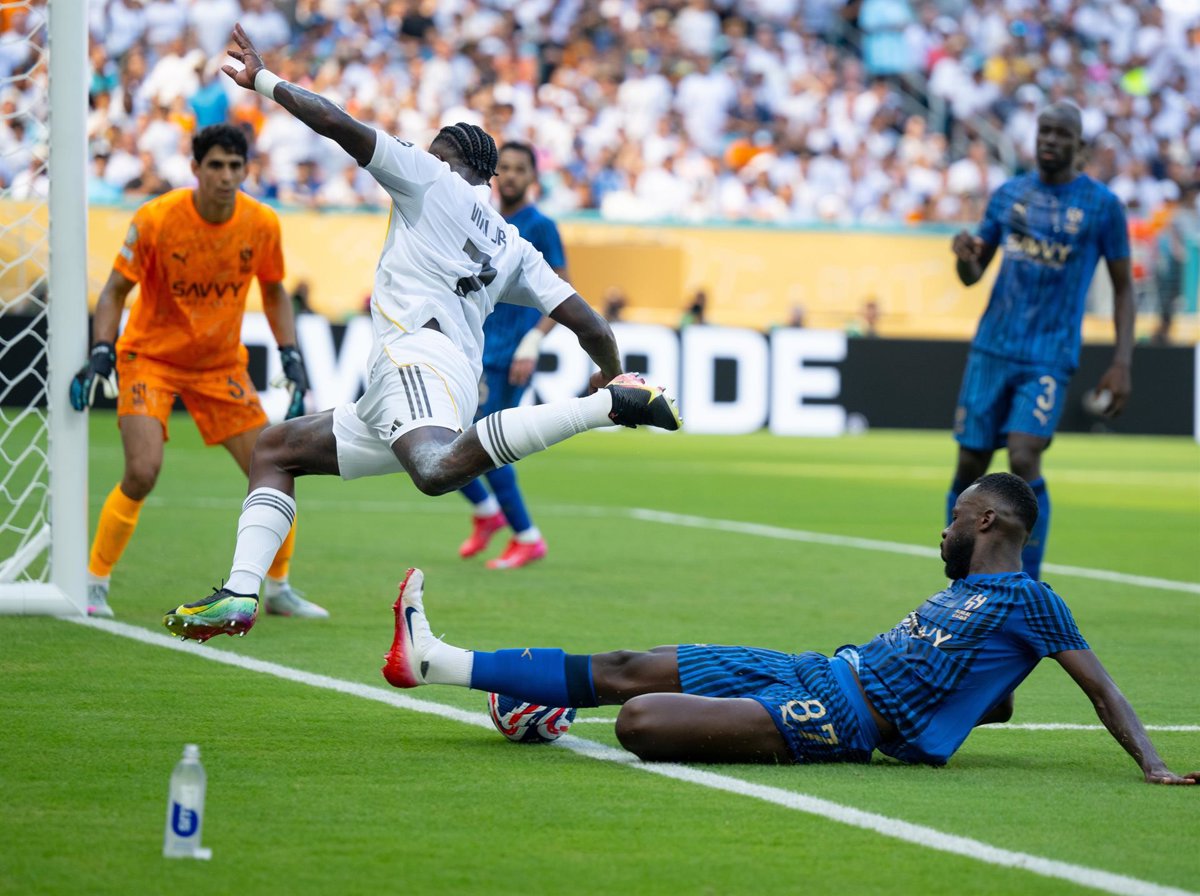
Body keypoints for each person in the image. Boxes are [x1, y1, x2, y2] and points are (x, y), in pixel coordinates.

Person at [161, 27, 680, 643]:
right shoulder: (515, 246)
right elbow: (590, 324)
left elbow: (335, 122)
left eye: (431, 151)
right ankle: (241, 593)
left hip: (415, 360)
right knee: (276, 450)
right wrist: (612, 368)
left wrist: (265, 81)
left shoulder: (428, 177)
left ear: (446, 158)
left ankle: (605, 408)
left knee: (434, 472)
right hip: (433, 382)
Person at [383, 473, 1197, 783]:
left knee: (639, 721)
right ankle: (438, 661)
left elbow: (1102, 689)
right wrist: (976, 707)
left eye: (955, 518)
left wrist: (1153, 764)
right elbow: (995, 700)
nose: (944, 531)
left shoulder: (1033, 601)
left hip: (841, 718)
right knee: (632, 662)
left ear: (985, 521)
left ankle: (529, 703)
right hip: (815, 667)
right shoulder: (967, 599)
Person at [71, 123, 324, 621]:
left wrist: (291, 355)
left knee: (276, 469)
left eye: (235, 166)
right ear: (195, 168)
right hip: (150, 358)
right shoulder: (156, 218)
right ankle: (94, 582)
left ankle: (278, 588)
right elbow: (115, 290)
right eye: (216, 166)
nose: (226, 176)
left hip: (219, 364)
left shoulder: (261, 222)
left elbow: (274, 291)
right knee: (142, 471)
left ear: (246, 169)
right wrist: (102, 348)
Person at [948, 102, 1135, 581]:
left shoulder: (1102, 206)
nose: (1049, 140)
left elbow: (1123, 287)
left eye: (1060, 133)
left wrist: (1122, 362)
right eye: (1043, 131)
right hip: (993, 346)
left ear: (1079, 145)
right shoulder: (1010, 194)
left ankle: (1024, 581)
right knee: (970, 460)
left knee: (1023, 453)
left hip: (1049, 353)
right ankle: (959, 573)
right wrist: (965, 256)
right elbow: (973, 274)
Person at [457, 142, 565, 571]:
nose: (513, 175)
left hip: (509, 358)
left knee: (486, 445)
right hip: (475, 349)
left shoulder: (541, 226)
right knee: (447, 439)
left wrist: (532, 342)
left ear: (533, 177)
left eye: (521, 168)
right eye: (506, 168)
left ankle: (527, 536)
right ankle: (488, 513)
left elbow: (562, 292)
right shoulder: (488, 221)